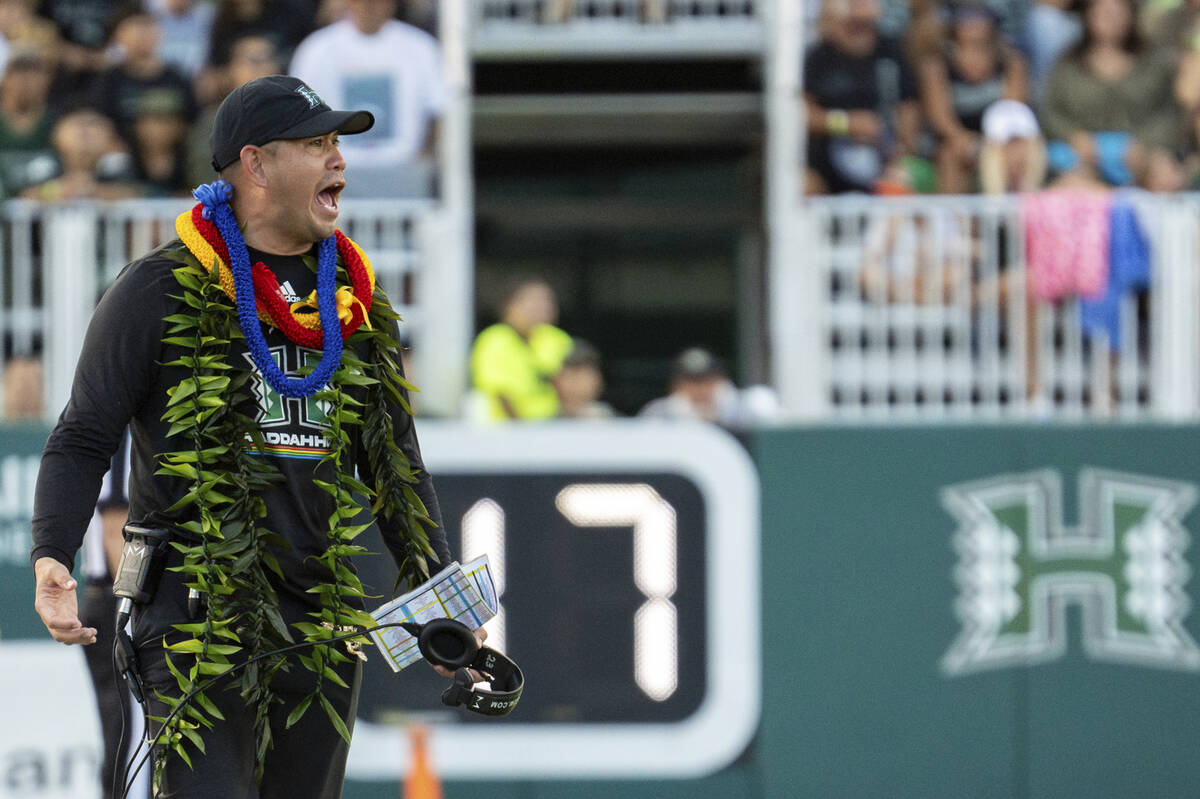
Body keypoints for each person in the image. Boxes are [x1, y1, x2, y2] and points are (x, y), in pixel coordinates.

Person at [30, 75, 476, 798]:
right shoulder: (158, 288)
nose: (338, 160)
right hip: (193, 618)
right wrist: (53, 549)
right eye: (316, 144)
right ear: (256, 165)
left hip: (320, 620)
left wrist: (443, 605)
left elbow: (397, 466)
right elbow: (83, 434)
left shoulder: (354, 298)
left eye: (338, 143)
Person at [289, 0, 445, 196]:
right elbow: (300, 111)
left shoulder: (421, 47)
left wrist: (424, 160)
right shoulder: (317, 50)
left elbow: (437, 111)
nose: (369, 5)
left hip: (403, 171)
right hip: (333, 172)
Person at [1040, 0, 1184, 191]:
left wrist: (1145, 144)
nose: (1110, 18)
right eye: (1102, 11)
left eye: (1117, 11)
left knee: (1165, 173)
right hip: (1080, 158)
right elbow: (1051, 113)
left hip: (1140, 157)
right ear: (1088, 15)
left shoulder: (1154, 61)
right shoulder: (1067, 65)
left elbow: (1169, 114)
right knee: (1069, 183)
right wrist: (1074, 137)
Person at [802, 0, 923, 195]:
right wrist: (845, 123)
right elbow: (802, 112)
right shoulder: (818, 58)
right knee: (802, 184)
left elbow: (908, 105)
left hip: (885, 158)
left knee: (907, 178)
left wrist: (904, 146)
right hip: (827, 164)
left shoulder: (892, 53)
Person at [918, 3, 1028, 193]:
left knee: (1017, 153)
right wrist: (967, 142)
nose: (973, 57)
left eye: (980, 46)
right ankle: (953, 219)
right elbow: (942, 121)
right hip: (953, 142)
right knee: (951, 154)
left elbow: (1012, 112)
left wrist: (989, 146)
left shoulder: (1012, 64)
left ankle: (1011, 219)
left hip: (998, 141)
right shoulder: (937, 68)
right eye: (965, 46)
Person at [469, 277, 573, 422]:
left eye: (546, 302)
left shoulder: (558, 339)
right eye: (532, 302)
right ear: (509, 306)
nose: (540, 308)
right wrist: (522, 431)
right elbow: (500, 393)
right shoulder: (494, 340)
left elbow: (576, 385)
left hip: (554, 423)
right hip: (506, 428)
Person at [638, 347, 780, 430]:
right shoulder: (659, 412)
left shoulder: (746, 406)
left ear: (721, 381)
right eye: (692, 382)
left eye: (707, 381)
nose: (700, 390)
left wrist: (721, 415)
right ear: (676, 387)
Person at [553, 339, 615, 420]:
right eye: (570, 376)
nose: (576, 386)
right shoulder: (538, 421)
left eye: (583, 377)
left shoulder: (613, 422)